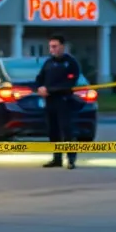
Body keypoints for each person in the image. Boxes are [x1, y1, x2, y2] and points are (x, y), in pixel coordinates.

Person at [35, 34, 82, 170]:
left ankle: (71, 159)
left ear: (62, 46)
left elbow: (69, 83)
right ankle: (57, 158)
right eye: (50, 47)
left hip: (64, 101)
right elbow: (39, 78)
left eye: (54, 46)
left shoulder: (70, 63)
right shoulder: (48, 63)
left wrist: (49, 89)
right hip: (50, 102)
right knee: (52, 130)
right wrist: (40, 87)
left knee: (66, 130)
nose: (52, 49)